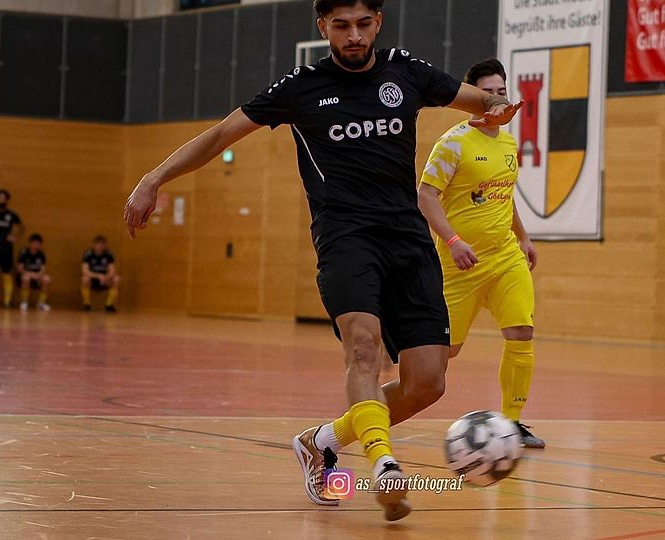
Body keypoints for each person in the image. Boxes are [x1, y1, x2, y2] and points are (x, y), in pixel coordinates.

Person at [122, 0, 521, 522]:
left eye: (362, 24)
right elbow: (221, 135)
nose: (353, 35)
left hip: (407, 240)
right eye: (341, 26)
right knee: (362, 347)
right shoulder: (300, 87)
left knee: (429, 381)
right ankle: (383, 466)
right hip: (345, 237)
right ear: (323, 28)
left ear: (377, 22)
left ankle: (321, 441)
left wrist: (497, 107)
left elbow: (477, 100)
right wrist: (154, 178)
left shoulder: (409, 72)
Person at [418, 59, 544, 449]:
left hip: (505, 256)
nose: (498, 100)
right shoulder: (453, 142)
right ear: (473, 98)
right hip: (460, 263)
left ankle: (513, 423)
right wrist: (454, 241)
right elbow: (425, 196)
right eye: (489, 93)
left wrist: (522, 237)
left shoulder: (507, 142)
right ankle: (387, 395)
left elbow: (502, 197)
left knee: (521, 332)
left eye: (503, 92)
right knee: (444, 355)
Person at [81, 235, 119, 312]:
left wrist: (106, 277)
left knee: (116, 279)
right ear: (94, 245)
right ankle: (86, 305)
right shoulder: (88, 254)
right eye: (98, 244)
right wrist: (98, 276)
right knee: (85, 279)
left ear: (104, 246)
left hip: (105, 280)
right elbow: (85, 271)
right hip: (93, 279)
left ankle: (109, 305)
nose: (99, 247)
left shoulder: (108, 255)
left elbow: (112, 271)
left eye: (102, 245)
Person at [16, 234, 51, 311]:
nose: (36, 246)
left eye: (38, 244)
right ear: (30, 243)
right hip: (25, 275)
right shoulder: (23, 252)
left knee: (47, 279)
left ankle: (41, 303)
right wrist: (31, 274)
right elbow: (20, 269)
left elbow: (43, 269)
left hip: (37, 276)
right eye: (35, 243)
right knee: (26, 278)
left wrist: (38, 275)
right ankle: (24, 302)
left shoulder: (41, 254)